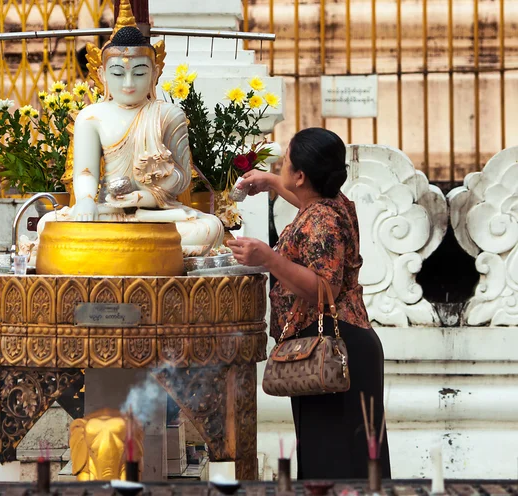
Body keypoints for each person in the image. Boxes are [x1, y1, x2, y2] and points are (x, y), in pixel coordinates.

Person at [227, 127, 391, 480]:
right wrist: (271, 182)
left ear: (300, 175)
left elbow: (325, 288)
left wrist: (269, 258)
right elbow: (306, 199)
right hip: (340, 350)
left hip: (332, 351)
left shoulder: (323, 219)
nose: (280, 164)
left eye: (284, 161)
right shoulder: (330, 204)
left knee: (336, 469)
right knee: (337, 463)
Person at [38, 0, 223, 257]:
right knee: (47, 225)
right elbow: (86, 172)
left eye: (139, 73)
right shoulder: (91, 117)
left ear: (155, 73)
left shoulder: (168, 114)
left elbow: (183, 179)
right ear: (102, 75)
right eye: (117, 74)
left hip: (155, 214)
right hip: (106, 211)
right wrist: (85, 201)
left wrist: (155, 183)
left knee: (208, 228)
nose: (128, 83)